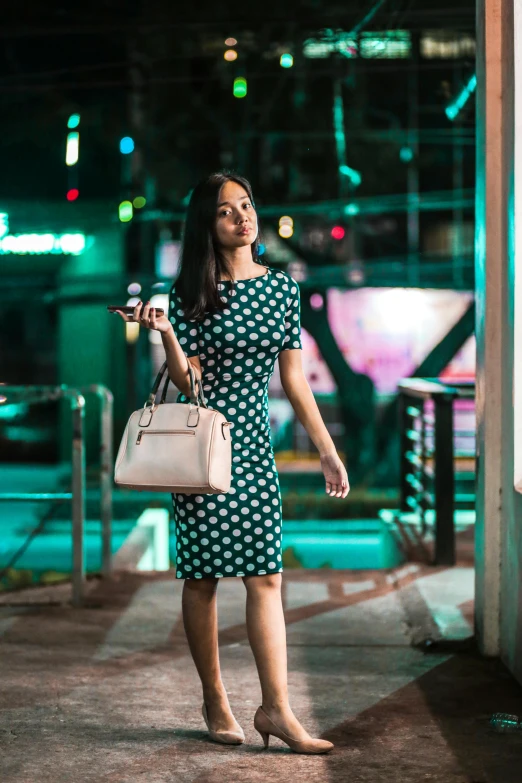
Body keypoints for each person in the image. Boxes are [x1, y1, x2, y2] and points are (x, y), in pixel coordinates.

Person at [116, 171, 350, 754]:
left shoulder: (282, 291)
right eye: (226, 211)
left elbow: (294, 382)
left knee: (266, 576)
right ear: (208, 225)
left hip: (254, 448)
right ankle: (215, 698)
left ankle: (277, 710)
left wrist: (327, 449)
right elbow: (187, 379)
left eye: (245, 206)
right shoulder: (193, 291)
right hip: (203, 446)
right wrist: (167, 332)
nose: (242, 217)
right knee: (202, 580)